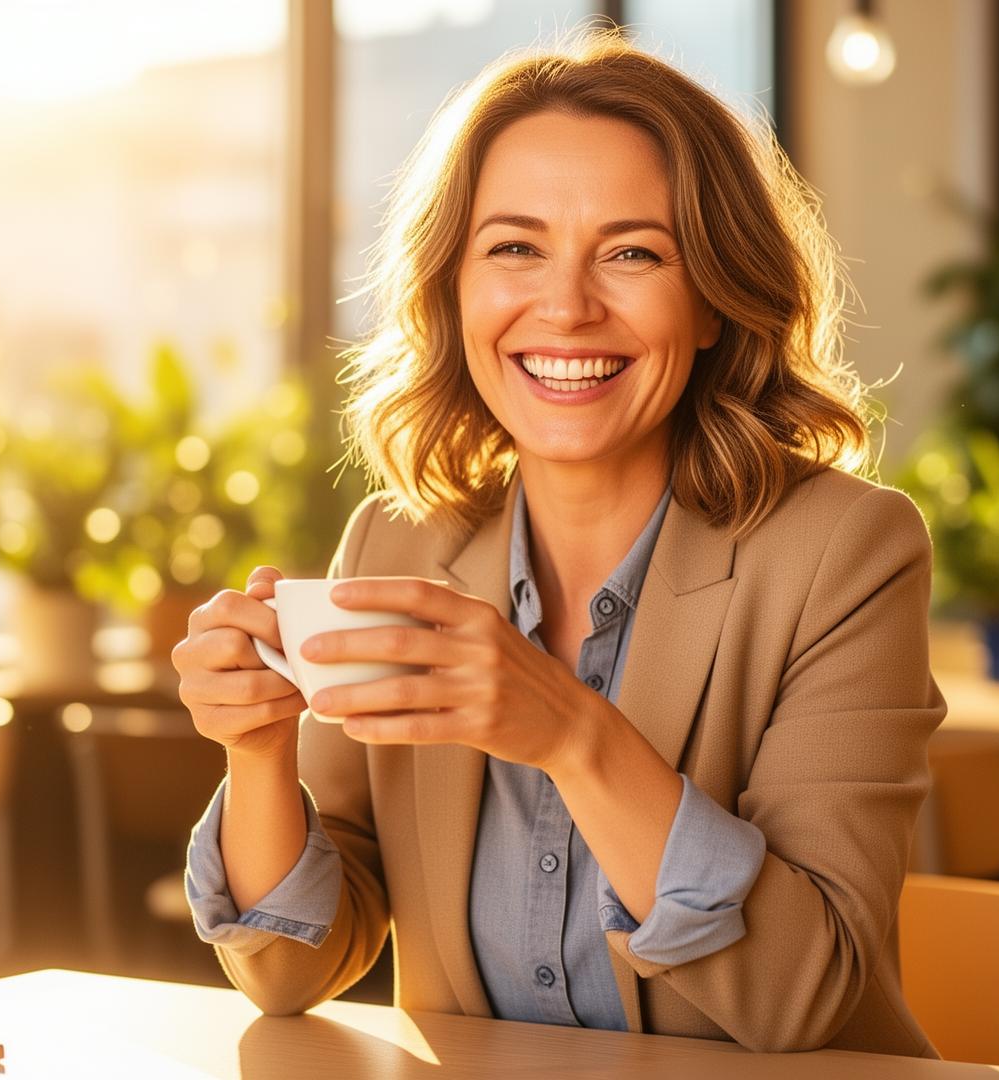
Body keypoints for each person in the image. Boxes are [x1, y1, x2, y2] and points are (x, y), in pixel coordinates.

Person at [173, 29, 946, 1057]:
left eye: (633, 252)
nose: (568, 307)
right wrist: (259, 753)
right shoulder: (397, 545)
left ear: (713, 298)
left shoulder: (844, 553)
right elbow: (289, 970)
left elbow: (800, 997)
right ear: (455, 287)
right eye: (514, 248)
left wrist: (567, 734)